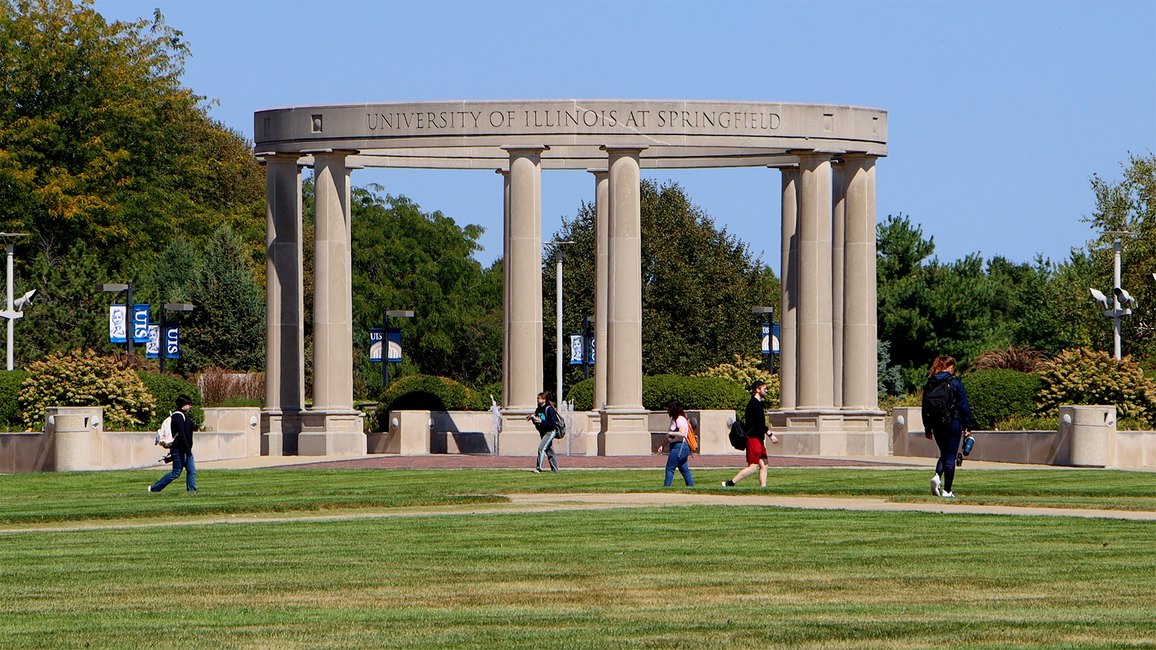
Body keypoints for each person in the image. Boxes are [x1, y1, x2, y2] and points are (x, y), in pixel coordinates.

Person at [923, 355, 976, 498]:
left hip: (936, 424)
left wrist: (927, 428)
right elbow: (963, 405)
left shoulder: (930, 383)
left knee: (944, 454)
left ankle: (937, 476)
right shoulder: (954, 382)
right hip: (953, 421)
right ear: (950, 367)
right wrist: (968, 426)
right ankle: (947, 490)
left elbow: (924, 406)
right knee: (951, 457)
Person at [722, 380, 779, 488]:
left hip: (758, 438)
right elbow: (759, 423)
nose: (766, 391)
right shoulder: (753, 404)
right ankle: (730, 483)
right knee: (753, 466)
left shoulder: (758, 404)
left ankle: (763, 487)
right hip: (753, 438)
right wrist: (770, 434)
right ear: (757, 389)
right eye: (764, 389)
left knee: (764, 464)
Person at [148, 394, 196, 493]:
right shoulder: (177, 416)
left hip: (186, 449)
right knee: (176, 473)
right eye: (188, 404)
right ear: (183, 404)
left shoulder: (184, 416)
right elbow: (181, 434)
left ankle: (192, 491)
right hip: (180, 448)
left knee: (192, 471)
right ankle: (154, 488)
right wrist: (187, 450)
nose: (190, 406)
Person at [659, 400, 694, 487]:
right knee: (683, 469)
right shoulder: (674, 420)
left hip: (680, 446)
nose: (667, 411)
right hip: (676, 446)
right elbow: (669, 437)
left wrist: (671, 433)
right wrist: (663, 445)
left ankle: (666, 487)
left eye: (668, 409)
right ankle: (691, 487)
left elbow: (682, 433)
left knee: (670, 467)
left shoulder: (680, 420)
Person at [529, 391, 559, 473]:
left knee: (541, 448)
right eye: (537, 398)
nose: (537, 399)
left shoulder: (549, 409)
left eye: (539, 398)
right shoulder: (539, 408)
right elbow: (537, 417)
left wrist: (541, 421)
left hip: (550, 431)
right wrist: (532, 417)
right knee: (549, 450)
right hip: (543, 431)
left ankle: (539, 468)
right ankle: (555, 470)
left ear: (544, 399)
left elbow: (552, 424)